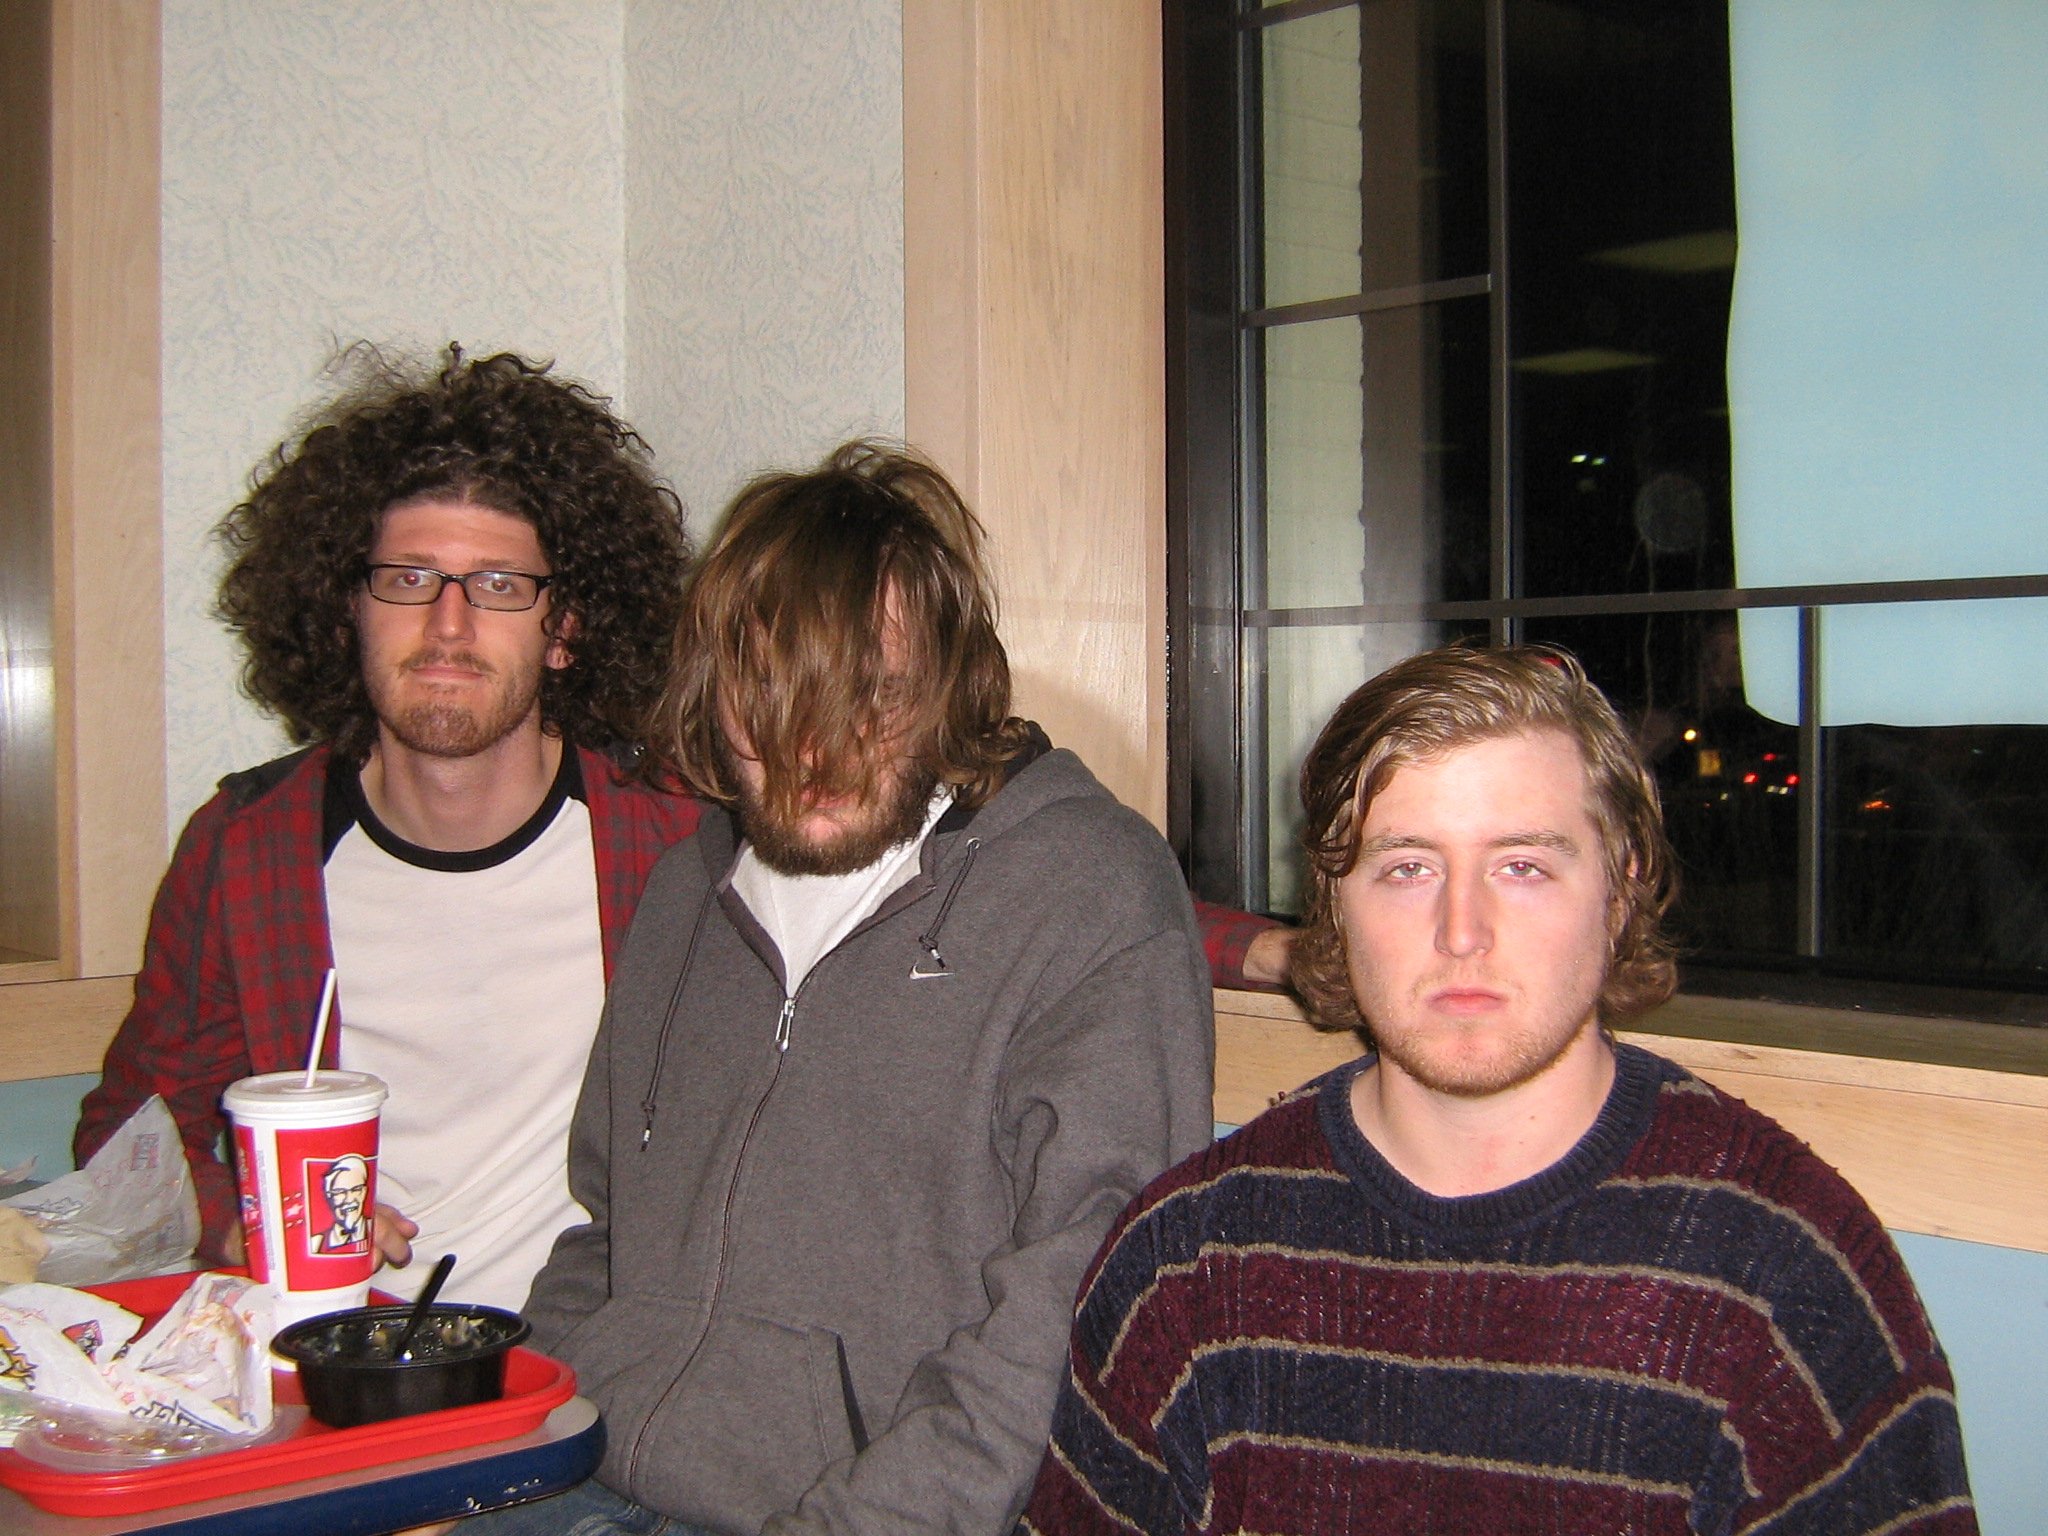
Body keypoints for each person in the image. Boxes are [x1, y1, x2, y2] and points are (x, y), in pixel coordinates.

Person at [1021, 645, 1976, 1536]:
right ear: (1335, 906)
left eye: (1522, 866)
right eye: (1407, 868)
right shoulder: (1188, 1260)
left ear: (1620, 890)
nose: (1461, 931)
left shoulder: (1783, 1274)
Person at [483, 443, 1217, 1535]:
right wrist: (511, 1446)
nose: (814, 753)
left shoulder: (1084, 890)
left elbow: (1078, 1310)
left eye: (875, 695)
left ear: (953, 684)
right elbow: (607, 1230)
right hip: (575, 1476)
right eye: (768, 695)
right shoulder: (685, 891)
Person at [75, 349, 700, 1311]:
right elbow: (130, 1141)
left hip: (594, 1361)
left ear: (565, 630)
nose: (448, 626)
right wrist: (247, 1220)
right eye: (409, 579)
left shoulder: (674, 839)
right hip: (339, 1355)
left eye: (499, 585)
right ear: (348, 612)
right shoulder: (249, 848)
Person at [312, 1155, 371, 1255]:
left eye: (356, 1190)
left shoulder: (375, 1231)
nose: (349, 1200)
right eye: (340, 1192)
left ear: (364, 1192)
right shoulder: (315, 1244)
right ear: (329, 1197)